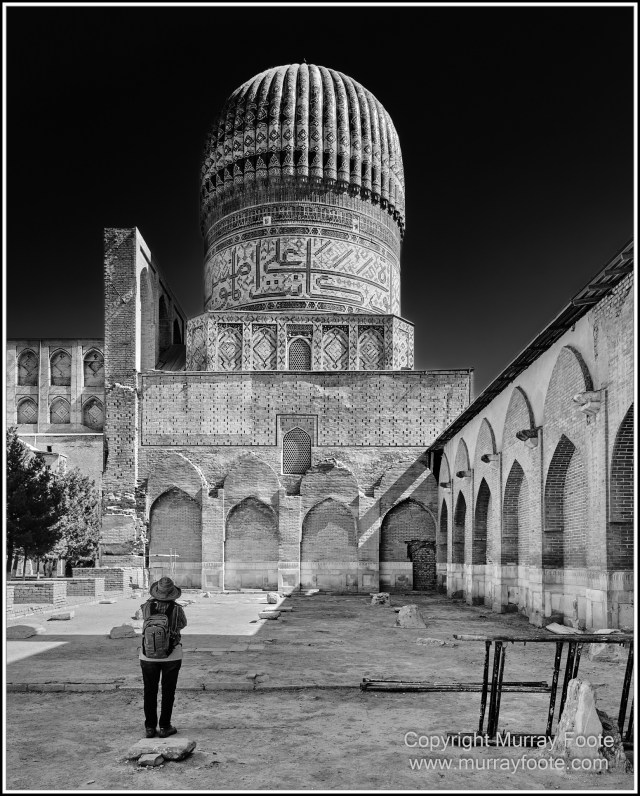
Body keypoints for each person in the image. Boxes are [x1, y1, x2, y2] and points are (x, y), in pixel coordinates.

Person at [139, 576, 188, 738]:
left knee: (149, 690)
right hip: (171, 654)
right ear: (172, 593)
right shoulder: (177, 609)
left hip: (148, 655)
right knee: (168, 691)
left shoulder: (146, 606)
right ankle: (165, 726)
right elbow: (182, 625)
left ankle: (150, 727)